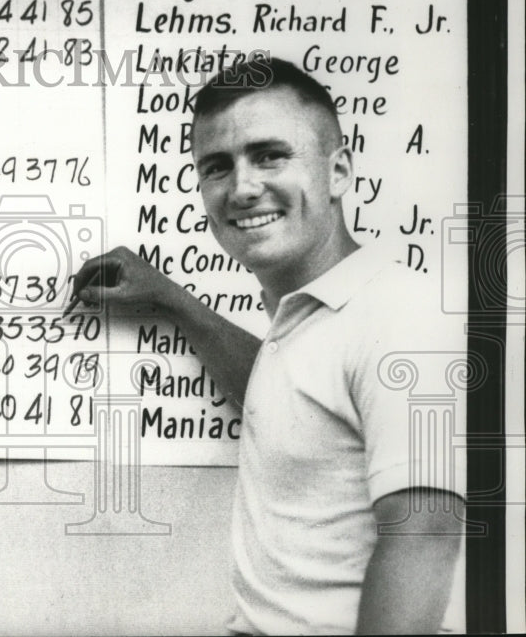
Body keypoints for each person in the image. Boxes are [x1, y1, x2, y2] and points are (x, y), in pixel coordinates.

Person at [73, 57, 464, 634]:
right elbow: (287, 403)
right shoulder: (312, 321)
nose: (243, 187)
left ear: (337, 172)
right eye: (216, 167)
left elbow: (425, 532)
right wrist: (169, 299)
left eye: (270, 155)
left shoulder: (404, 314)